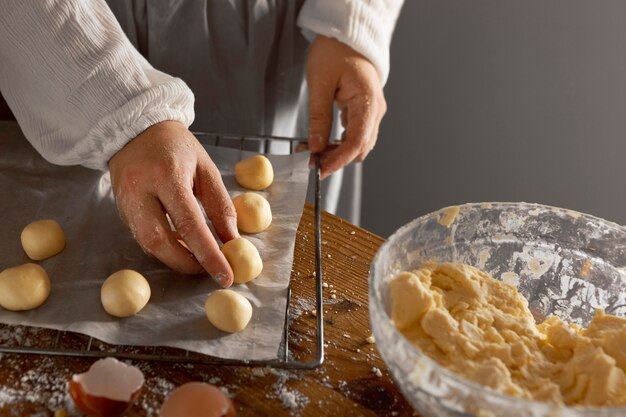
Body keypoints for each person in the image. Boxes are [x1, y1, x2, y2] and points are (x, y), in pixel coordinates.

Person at [0, 0, 403, 288]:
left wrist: (351, 22)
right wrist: (118, 110)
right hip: (72, 40)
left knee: (289, 253)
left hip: (273, 38)